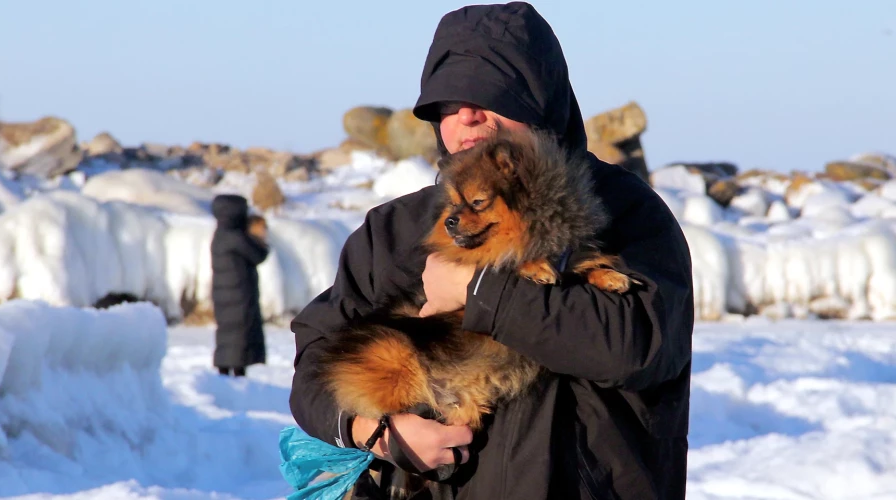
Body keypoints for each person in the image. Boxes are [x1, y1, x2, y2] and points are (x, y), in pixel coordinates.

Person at [289, 2, 694, 499]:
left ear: (540, 101)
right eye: (447, 103)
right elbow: (316, 361)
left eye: (493, 95)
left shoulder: (626, 213)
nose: (468, 115)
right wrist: (371, 431)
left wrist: (479, 291)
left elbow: (637, 348)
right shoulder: (395, 231)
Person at [211, 194, 270, 377]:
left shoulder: (221, 233)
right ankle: (237, 373)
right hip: (238, 293)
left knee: (229, 334)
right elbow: (258, 254)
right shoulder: (235, 236)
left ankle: (226, 371)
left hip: (226, 294)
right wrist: (260, 239)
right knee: (239, 334)